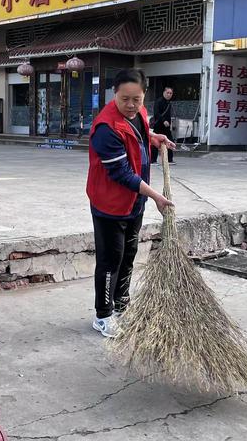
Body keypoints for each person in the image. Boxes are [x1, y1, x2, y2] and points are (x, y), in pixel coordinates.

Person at [86, 69, 175, 338]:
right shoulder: (106, 127)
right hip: (109, 205)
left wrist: (154, 137)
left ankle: (121, 305)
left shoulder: (139, 114)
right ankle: (103, 315)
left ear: (144, 94)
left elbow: (137, 136)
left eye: (137, 99)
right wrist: (156, 195)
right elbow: (122, 173)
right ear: (114, 94)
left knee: (128, 256)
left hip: (134, 203)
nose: (131, 105)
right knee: (110, 260)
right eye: (125, 99)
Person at [151, 87, 175, 164]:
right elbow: (156, 113)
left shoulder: (169, 103)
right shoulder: (158, 101)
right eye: (167, 93)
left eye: (170, 93)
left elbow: (168, 115)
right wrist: (163, 120)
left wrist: (169, 123)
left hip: (166, 126)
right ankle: (153, 160)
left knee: (170, 140)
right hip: (158, 125)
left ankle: (170, 159)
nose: (169, 95)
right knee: (155, 142)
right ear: (164, 92)